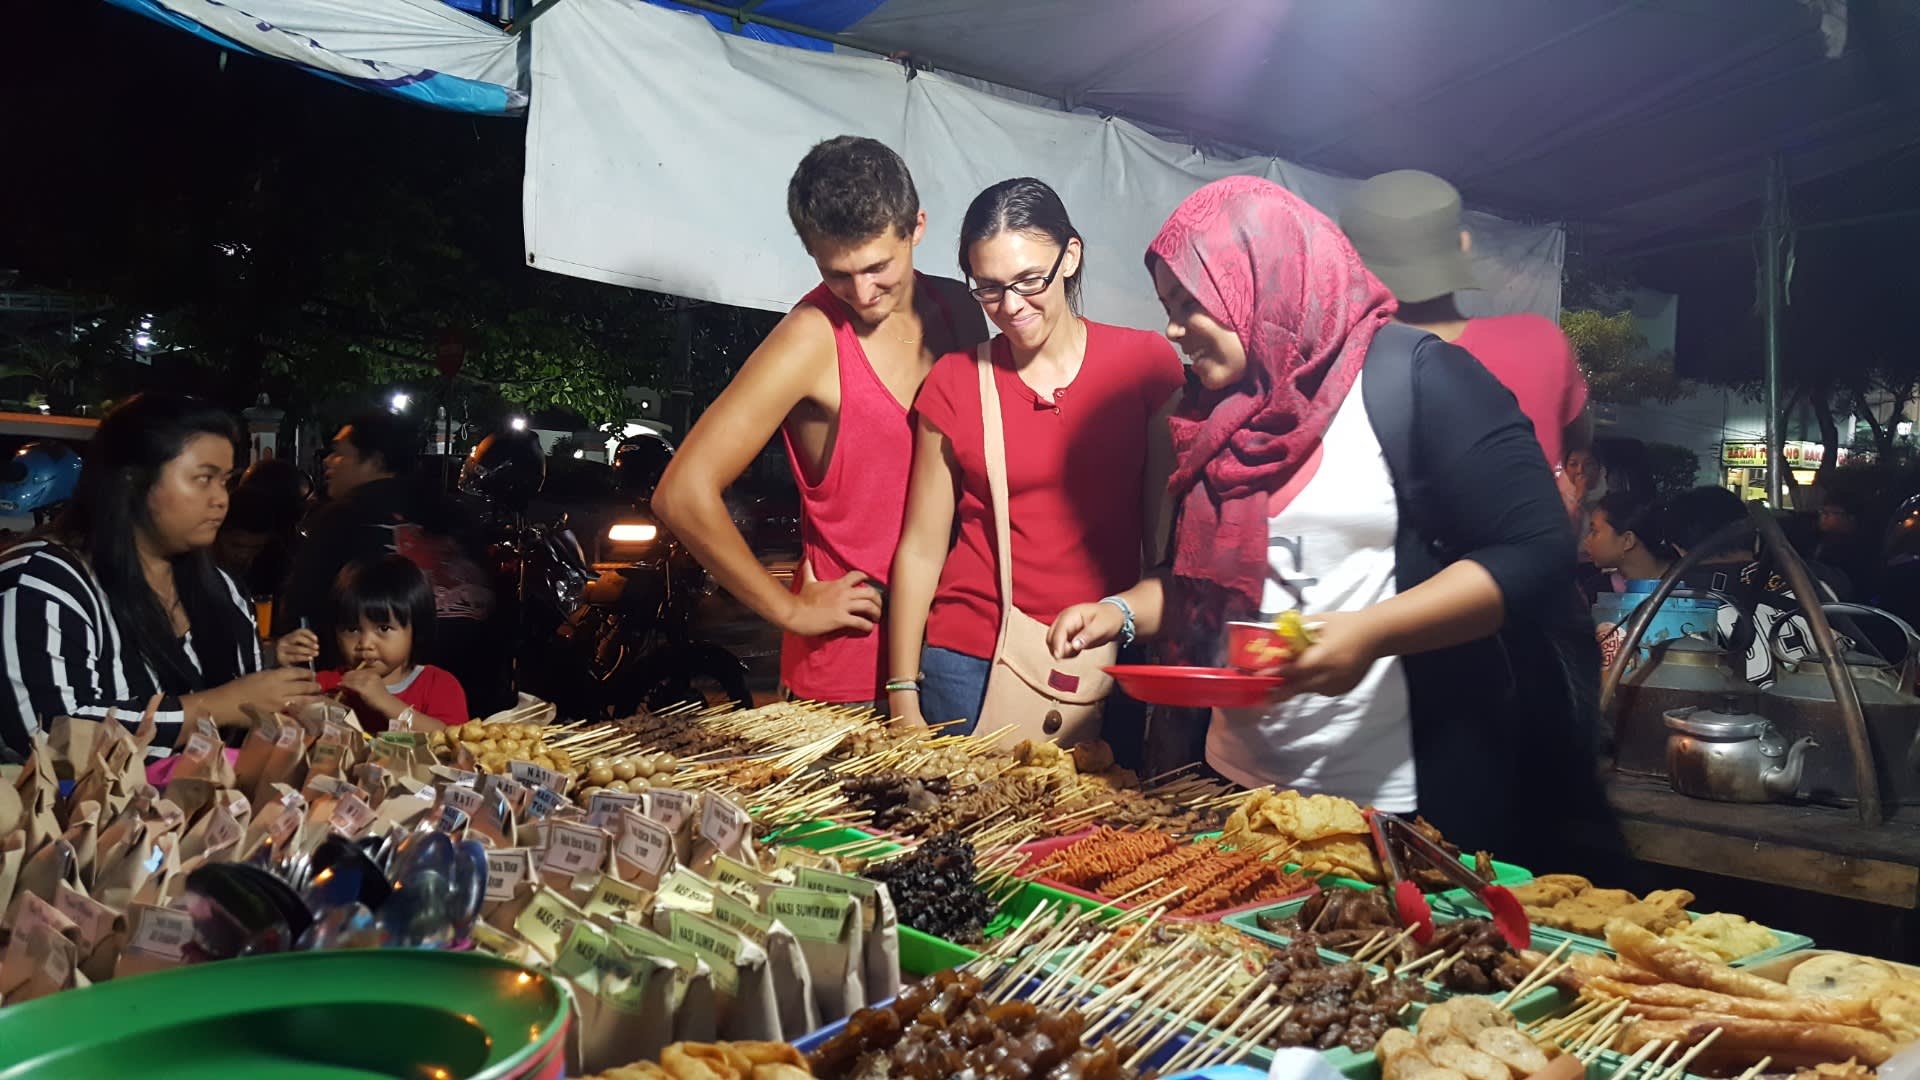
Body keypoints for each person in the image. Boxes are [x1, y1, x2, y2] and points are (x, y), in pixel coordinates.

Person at [1047, 177, 1608, 866]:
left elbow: (1535, 549)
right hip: (1239, 787)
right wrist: (1121, 611)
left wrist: (1369, 634)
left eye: (1191, 303)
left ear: (1263, 284)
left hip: (1397, 798)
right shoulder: (1213, 416)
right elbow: (1201, 586)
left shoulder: (1419, 378)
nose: (1173, 328)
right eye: (1169, 307)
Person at [654, 136, 988, 707]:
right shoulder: (810, 338)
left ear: (917, 227)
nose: (862, 293)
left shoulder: (959, 309)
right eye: (837, 274)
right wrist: (790, 610)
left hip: (954, 650)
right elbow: (681, 493)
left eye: (878, 267)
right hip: (850, 667)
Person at [886, 178, 1184, 734]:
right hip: (970, 662)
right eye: (989, 288)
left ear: (1070, 257)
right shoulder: (955, 380)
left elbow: (1160, 545)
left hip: (1105, 654)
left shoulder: (1144, 365)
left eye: (1029, 281)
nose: (1011, 306)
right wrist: (902, 691)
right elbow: (922, 549)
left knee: (1109, 796)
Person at [0, 394, 321, 758]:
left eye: (225, 482)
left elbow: (245, 729)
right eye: (203, 479)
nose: (220, 499)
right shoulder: (41, 581)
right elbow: (51, 736)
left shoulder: (224, 591)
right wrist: (221, 705)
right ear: (132, 480)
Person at [1342, 170, 1592, 499]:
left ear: (1353, 264)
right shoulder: (1539, 342)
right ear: (1462, 245)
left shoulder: (1343, 368)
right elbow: (1579, 434)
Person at [273, 409, 423, 640]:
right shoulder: (445, 515)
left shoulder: (341, 518)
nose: (327, 461)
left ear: (374, 461)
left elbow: (300, 606)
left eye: (339, 453)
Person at [279, 554, 468, 733]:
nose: (365, 644)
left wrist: (385, 702)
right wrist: (287, 670)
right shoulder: (327, 685)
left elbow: (451, 738)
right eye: (352, 629)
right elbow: (279, 721)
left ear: (416, 629)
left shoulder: (438, 685)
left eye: (383, 628)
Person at [1584, 492, 1674, 588]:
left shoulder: (1681, 581)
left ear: (1628, 540)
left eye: (1594, 532)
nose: (1586, 541)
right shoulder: (1598, 587)